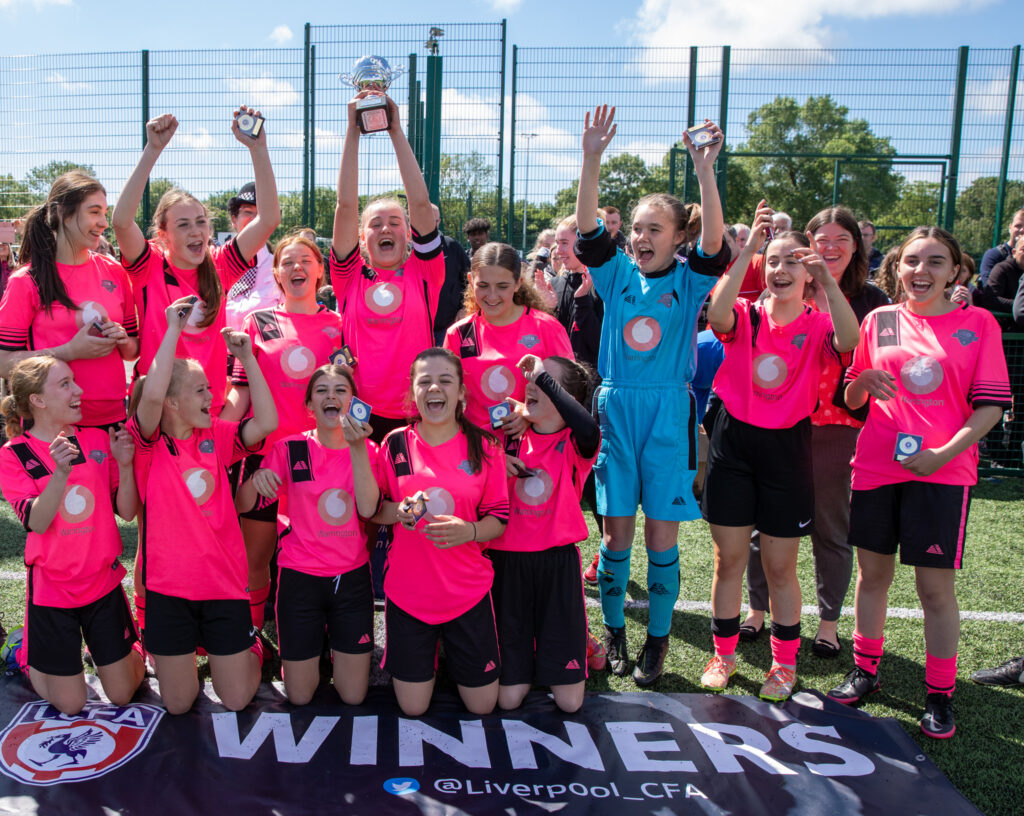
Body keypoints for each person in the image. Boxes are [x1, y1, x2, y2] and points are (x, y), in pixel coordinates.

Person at [826, 227, 1010, 739]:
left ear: (956, 271)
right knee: (872, 577)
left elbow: (990, 407)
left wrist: (944, 453)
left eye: (934, 262)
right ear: (897, 268)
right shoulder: (879, 320)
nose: (920, 271)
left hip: (943, 472)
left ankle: (939, 694)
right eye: (911, 261)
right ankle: (866, 671)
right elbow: (855, 396)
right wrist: (858, 383)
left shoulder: (979, 325)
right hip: (877, 467)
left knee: (934, 591)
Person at [575, 105, 729, 685]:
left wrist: (704, 171)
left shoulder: (690, 281)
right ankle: (614, 632)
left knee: (662, 537)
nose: (640, 236)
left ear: (677, 237)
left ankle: (656, 640)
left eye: (653, 228)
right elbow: (590, 230)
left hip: (667, 413)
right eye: (635, 227)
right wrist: (592, 159)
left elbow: (715, 243)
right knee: (615, 536)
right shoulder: (615, 275)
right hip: (616, 411)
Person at [700, 211, 859, 701]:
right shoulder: (745, 315)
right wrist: (747, 251)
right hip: (734, 441)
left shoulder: (819, 325)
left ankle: (783, 666)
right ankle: (723, 655)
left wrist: (829, 283)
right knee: (728, 560)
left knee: (780, 567)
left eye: (794, 260)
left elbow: (851, 341)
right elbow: (716, 315)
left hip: (788, 448)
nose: (781, 268)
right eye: (773, 261)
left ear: (808, 271)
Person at [741, 207, 890, 658]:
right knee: (761, 526)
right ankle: (757, 611)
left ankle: (828, 623)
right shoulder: (789, 286)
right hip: (782, 422)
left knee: (831, 527)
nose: (829, 247)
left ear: (856, 245)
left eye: (840, 239)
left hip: (837, 425)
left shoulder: (870, 299)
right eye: (820, 239)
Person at [128, 299, 278, 714]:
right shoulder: (148, 443)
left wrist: (247, 357)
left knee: (235, 699)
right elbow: (152, 393)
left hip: (222, 585)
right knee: (178, 703)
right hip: (169, 591)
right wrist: (171, 330)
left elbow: (265, 422)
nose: (212, 396)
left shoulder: (216, 434)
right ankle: (159, 648)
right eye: (201, 390)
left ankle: (250, 651)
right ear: (172, 404)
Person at [112, 108, 281, 417]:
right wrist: (152, 150)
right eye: (183, 224)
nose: (195, 231)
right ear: (162, 236)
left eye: (201, 222)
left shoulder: (220, 265)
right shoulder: (148, 265)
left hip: (208, 408)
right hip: (157, 408)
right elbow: (122, 221)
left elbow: (269, 218)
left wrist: (258, 148)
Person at [0, 356, 144, 715]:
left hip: (101, 582)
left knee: (123, 694)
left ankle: (132, 648)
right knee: (71, 704)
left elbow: (126, 512)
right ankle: (24, 650)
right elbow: (36, 522)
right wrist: (60, 474)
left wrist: (124, 466)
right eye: (65, 384)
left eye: (74, 381)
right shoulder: (14, 453)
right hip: (53, 589)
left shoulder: (96, 439)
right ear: (38, 400)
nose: (79, 391)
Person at [374, 348, 509, 716]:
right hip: (409, 594)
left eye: (445, 380)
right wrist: (397, 512)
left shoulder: (486, 447)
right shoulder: (395, 444)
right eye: (425, 381)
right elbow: (375, 511)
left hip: (467, 592)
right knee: (413, 708)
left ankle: (454, 658)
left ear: (461, 392)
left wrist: (470, 530)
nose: (435, 388)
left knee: (483, 706)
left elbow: (499, 518)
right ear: (414, 392)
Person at [222, 233, 346, 629]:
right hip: (264, 460)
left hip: (321, 461)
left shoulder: (338, 326)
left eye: (305, 261)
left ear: (319, 270)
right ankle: (251, 637)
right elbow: (239, 393)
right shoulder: (256, 322)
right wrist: (218, 442)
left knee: (321, 556)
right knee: (254, 558)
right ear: (275, 273)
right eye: (287, 262)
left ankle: (322, 635)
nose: (297, 268)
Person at [243, 365, 379, 705]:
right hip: (300, 578)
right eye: (321, 390)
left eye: (340, 389)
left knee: (353, 696)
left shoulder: (371, 450)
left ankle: (337, 650)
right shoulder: (290, 449)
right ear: (309, 405)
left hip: (350, 578)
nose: (330, 395)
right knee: (300, 696)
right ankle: (307, 652)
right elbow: (243, 503)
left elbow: (372, 509)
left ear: (353, 402)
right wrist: (255, 482)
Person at [329, 90, 443, 443]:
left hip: (416, 413)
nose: (385, 229)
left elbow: (421, 204)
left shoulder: (425, 273)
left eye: (394, 222)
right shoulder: (349, 278)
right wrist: (352, 131)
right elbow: (345, 207)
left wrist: (395, 130)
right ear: (362, 239)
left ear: (408, 234)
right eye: (375, 224)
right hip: (359, 415)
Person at [491, 353, 600, 713]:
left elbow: (589, 428)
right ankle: (545, 647)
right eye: (531, 382)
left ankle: (575, 642)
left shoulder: (575, 442)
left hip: (557, 565)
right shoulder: (506, 436)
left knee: (570, 704)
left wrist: (542, 375)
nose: (531, 385)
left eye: (544, 382)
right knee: (507, 699)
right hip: (507, 565)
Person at [0, 171, 138, 428]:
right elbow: (3, 362)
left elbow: (133, 349)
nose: (104, 223)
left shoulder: (115, 272)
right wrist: (67, 352)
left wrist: (121, 338)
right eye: (94, 212)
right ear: (63, 214)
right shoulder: (26, 281)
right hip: (50, 424)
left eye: (105, 213)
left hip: (113, 421)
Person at [443, 242, 572, 436]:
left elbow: (570, 393)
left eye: (502, 286)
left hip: (532, 452)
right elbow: (447, 396)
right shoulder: (458, 334)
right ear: (470, 281)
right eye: (483, 286)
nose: (492, 295)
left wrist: (532, 414)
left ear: (518, 282)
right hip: (479, 449)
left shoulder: (547, 328)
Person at [224, 182, 280, 332]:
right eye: (248, 212)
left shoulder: (280, 269)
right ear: (234, 219)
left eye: (262, 214)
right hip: (218, 352)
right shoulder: (215, 264)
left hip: (260, 353)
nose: (256, 219)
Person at [431, 203, 471, 346]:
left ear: (439, 221)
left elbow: (470, 280)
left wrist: (466, 308)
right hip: (419, 328)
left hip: (453, 323)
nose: (428, 224)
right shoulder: (408, 249)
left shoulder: (451, 245)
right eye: (424, 219)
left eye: (433, 221)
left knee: (464, 361)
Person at [979, 208, 1024, 285]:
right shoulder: (994, 255)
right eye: (1018, 226)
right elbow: (989, 290)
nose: (1022, 230)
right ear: (1010, 228)